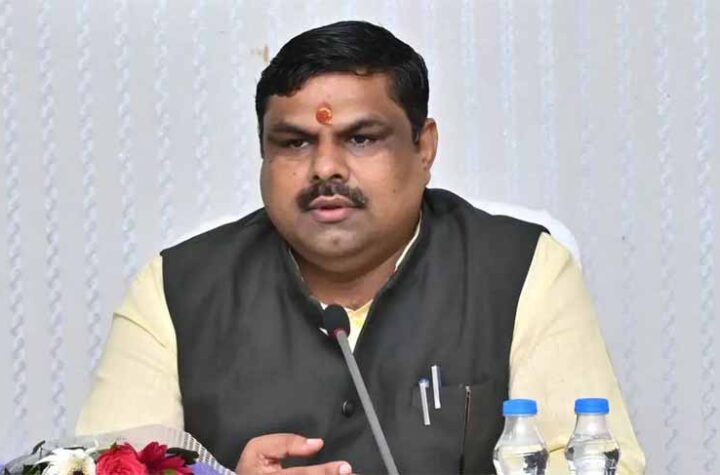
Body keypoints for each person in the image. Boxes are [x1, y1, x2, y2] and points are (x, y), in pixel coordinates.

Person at [77, 20, 645, 474]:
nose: (325, 167)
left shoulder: (520, 269)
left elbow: (596, 462)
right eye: (294, 143)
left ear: (424, 148)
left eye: (362, 138)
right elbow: (98, 466)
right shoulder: (177, 288)